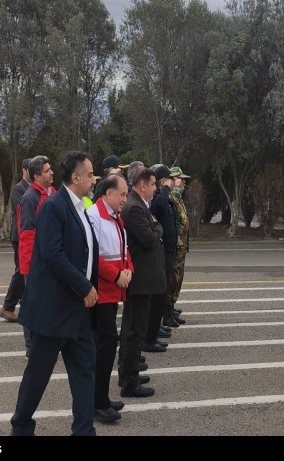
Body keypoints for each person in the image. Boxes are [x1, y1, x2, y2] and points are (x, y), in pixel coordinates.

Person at [10, 151, 99, 436]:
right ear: (75, 177)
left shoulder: (82, 206)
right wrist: (84, 285)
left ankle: (84, 431)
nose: (94, 179)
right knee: (38, 374)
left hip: (78, 310)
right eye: (90, 174)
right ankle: (21, 426)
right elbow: (52, 254)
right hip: (53, 310)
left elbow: (85, 251)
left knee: (85, 370)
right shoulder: (53, 206)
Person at [87, 175, 133, 424]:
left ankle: (101, 397)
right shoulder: (94, 216)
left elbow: (124, 250)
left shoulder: (115, 217)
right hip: (101, 292)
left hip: (113, 289)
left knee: (106, 347)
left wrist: (128, 270)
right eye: (122, 194)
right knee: (104, 347)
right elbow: (93, 256)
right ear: (108, 194)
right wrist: (116, 275)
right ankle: (97, 402)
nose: (125, 199)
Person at [119, 166, 163, 398]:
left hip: (142, 278)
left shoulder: (139, 204)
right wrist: (157, 228)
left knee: (133, 328)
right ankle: (129, 381)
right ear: (143, 185)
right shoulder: (135, 207)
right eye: (153, 184)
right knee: (134, 331)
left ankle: (129, 372)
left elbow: (154, 228)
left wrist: (155, 227)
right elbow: (149, 238)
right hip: (139, 279)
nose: (155, 189)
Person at [16, 155, 54, 356]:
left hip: (47, 259)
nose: (51, 173)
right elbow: (27, 234)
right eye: (47, 171)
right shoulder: (30, 198)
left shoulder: (51, 192)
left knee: (45, 301)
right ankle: (31, 345)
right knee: (32, 302)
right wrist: (32, 264)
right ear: (37, 176)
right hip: (34, 262)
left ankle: (42, 340)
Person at [148, 164, 177, 348]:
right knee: (158, 293)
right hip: (162, 250)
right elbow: (159, 205)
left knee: (163, 290)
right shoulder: (158, 197)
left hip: (169, 248)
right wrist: (165, 188)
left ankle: (156, 326)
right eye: (168, 179)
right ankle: (152, 330)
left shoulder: (164, 197)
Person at [0, 159, 31, 323]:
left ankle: (24, 305)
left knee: (27, 271)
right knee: (21, 271)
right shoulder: (19, 189)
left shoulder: (34, 188)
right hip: (19, 236)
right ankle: (8, 306)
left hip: (28, 235)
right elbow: (24, 211)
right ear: (24, 170)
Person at [166, 165, 191, 325]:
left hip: (181, 246)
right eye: (180, 179)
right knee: (172, 279)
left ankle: (171, 306)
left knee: (178, 279)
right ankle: (167, 310)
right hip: (175, 246)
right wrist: (174, 187)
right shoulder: (170, 196)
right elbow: (172, 199)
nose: (184, 183)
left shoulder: (178, 197)